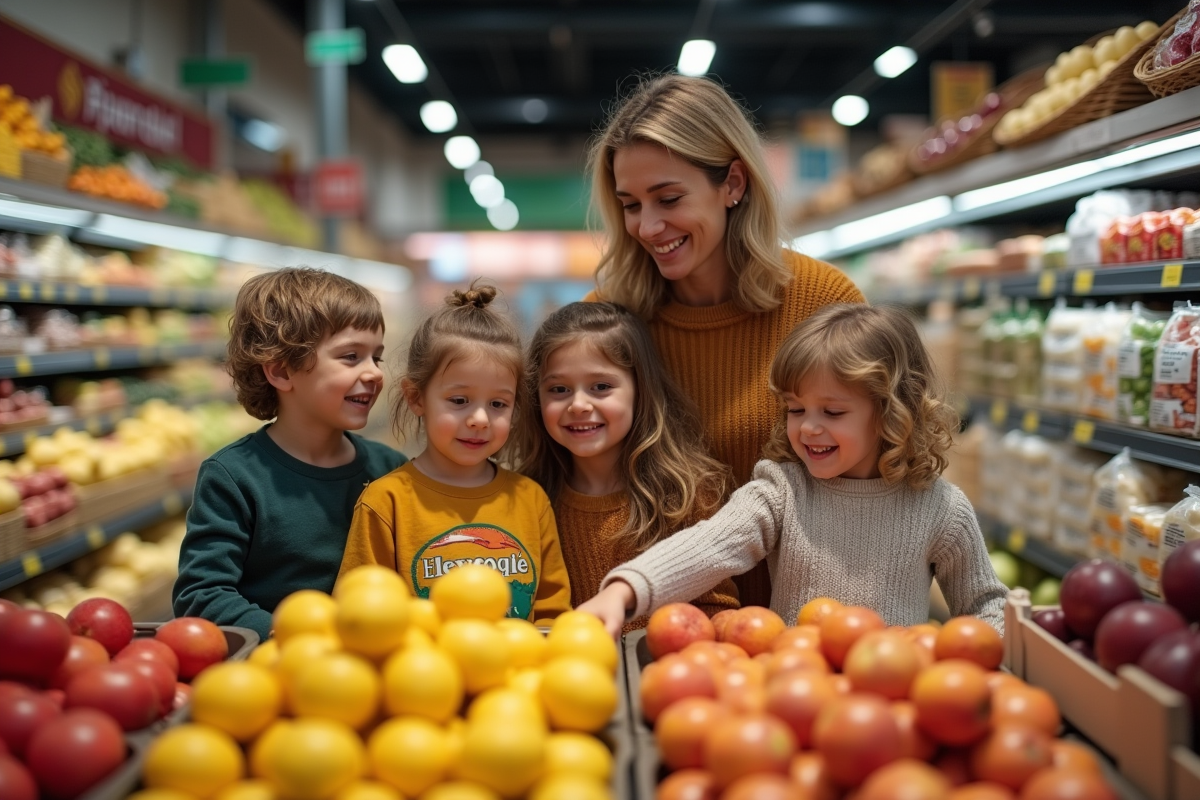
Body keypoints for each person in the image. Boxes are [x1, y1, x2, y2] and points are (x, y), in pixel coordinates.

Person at [587, 73, 866, 606]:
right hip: (654, 627)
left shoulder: (825, 305)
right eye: (630, 204)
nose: (647, 226)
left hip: (809, 625)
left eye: (668, 198)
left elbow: (883, 473)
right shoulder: (604, 324)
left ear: (733, 184)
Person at [579, 304, 1007, 635]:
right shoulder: (783, 489)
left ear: (893, 411)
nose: (808, 427)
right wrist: (627, 589)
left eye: (833, 411)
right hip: (794, 692)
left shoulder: (940, 507)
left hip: (890, 704)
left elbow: (986, 603)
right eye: (795, 408)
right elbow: (710, 545)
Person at [174, 268, 407, 641]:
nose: (374, 373)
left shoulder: (391, 470)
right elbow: (201, 596)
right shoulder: (233, 477)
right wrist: (301, 639)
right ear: (282, 371)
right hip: (273, 671)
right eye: (351, 357)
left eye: (376, 358)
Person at [338, 284, 571, 622]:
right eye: (459, 401)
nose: (479, 419)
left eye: (498, 404)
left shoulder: (530, 500)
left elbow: (552, 612)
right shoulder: (386, 502)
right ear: (417, 398)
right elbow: (358, 615)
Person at [516, 301, 738, 630]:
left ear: (640, 390)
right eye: (559, 389)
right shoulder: (528, 498)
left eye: (601, 387)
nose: (578, 405)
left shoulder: (687, 493)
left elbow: (718, 611)